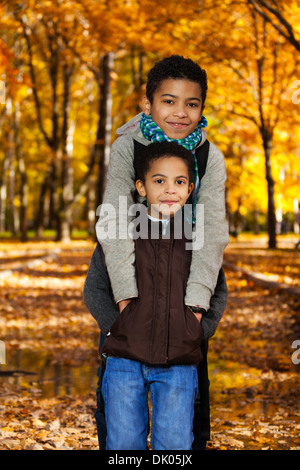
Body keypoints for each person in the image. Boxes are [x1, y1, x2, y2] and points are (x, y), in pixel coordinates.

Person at [84, 55, 229, 449]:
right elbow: (113, 223)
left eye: (192, 103)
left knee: (186, 411)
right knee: (117, 405)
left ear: (201, 107)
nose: (180, 112)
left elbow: (212, 232)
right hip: (125, 287)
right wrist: (124, 304)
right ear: (148, 104)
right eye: (169, 101)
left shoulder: (207, 156)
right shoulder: (127, 147)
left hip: (183, 289)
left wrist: (196, 312)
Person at [97, 141, 212, 450]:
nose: (170, 190)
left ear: (190, 190)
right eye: (159, 181)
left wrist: (194, 329)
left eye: (179, 182)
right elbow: (94, 288)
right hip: (124, 361)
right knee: (123, 443)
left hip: (178, 361)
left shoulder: (198, 241)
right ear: (141, 187)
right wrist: (119, 325)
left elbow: (217, 290)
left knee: (173, 443)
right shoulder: (120, 235)